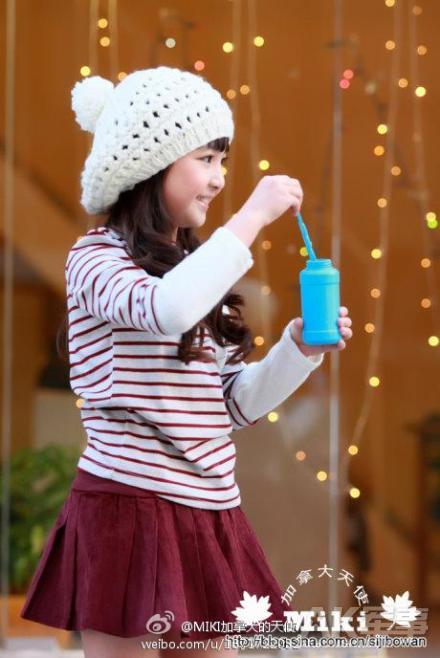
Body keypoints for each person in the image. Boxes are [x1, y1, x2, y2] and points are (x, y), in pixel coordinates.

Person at [20, 66, 353, 658]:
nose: (219, 178)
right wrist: (251, 218)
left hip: (209, 508)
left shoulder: (196, 272)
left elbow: (230, 405)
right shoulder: (94, 259)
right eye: (205, 158)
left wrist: (297, 352)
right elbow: (165, 309)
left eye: (222, 161)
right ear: (149, 164)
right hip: (126, 503)